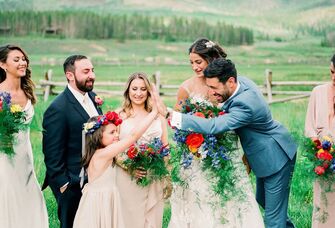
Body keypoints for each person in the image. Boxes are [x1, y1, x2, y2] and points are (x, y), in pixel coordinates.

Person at [160, 58, 297, 228]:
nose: (210, 92)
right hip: (264, 153)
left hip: (275, 156)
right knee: (265, 201)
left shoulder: (245, 104)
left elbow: (214, 126)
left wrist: (172, 115)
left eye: (214, 88)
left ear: (230, 82)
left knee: (273, 219)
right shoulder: (242, 81)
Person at [168, 38, 264, 228]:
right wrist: (193, 139)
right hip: (196, 156)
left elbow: (242, 123)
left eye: (199, 62)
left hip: (227, 151)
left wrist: (247, 155)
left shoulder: (231, 85)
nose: (195, 67)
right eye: (191, 62)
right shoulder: (186, 88)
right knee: (200, 201)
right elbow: (176, 122)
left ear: (211, 59)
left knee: (231, 198)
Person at [42, 54, 103, 228]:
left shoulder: (93, 97)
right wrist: (64, 184)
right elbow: (52, 153)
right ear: (70, 75)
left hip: (95, 179)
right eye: (86, 71)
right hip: (73, 183)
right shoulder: (58, 109)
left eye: (92, 70)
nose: (92, 75)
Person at [73, 106, 159, 228]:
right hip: (100, 203)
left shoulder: (98, 152)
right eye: (112, 132)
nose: (117, 135)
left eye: (117, 131)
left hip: (98, 199)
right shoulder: (104, 154)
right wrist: (154, 112)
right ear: (98, 135)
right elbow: (133, 136)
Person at [0, 44, 48, 228]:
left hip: (25, 158)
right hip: (4, 158)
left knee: (30, 197)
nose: (23, 62)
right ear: (3, 65)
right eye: (16, 59)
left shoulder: (27, 91)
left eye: (23, 59)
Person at [114, 72, 169, 228]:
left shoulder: (158, 116)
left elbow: (165, 147)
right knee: (129, 218)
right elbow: (112, 146)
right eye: (134, 88)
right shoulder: (119, 115)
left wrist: (164, 172)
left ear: (149, 92)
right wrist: (129, 167)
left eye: (143, 89)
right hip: (126, 176)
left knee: (152, 218)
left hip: (154, 175)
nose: (138, 93)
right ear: (128, 91)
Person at [305, 54, 335, 227]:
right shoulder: (318, 92)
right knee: (322, 205)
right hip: (323, 161)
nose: (333, 78)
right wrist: (319, 151)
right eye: (331, 72)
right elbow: (309, 126)